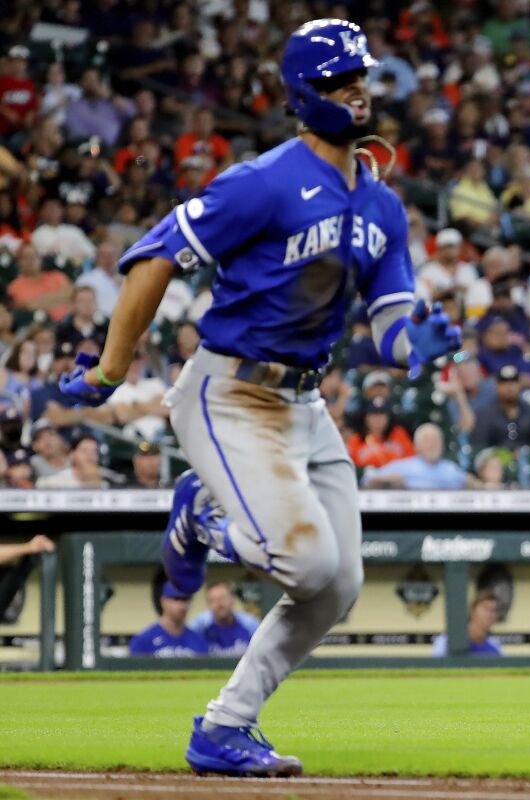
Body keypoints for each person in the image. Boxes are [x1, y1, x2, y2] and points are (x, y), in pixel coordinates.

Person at [56, 20, 462, 778]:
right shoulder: (263, 181)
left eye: (361, 77)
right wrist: (112, 371)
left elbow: (391, 324)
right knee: (308, 567)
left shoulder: (382, 207)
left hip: (306, 405)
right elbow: (151, 258)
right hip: (229, 392)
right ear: (305, 93)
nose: (359, 90)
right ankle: (201, 513)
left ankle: (225, 727)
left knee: (338, 585)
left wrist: (418, 348)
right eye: (342, 79)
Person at [469, 364, 530, 450]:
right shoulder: (485, 413)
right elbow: (479, 446)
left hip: (529, 460)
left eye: (513, 381)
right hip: (496, 459)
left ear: (519, 384)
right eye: (504, 382)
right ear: (497, 386)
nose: (509, 387)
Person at [128, 580, 209, 658]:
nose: (182, 605)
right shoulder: (144, 641)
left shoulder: (199, 641)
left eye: (185, 599)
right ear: (163, 601)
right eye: (176, 599)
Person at [188, 581, 260, 657]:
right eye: (214, 600)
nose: (220, 604)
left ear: (232, 599)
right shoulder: (199, 627)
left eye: (223, 598)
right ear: (209, 604)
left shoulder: (250, 624)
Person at [431, 591, 502, 656]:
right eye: (486, 609)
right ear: (473, 612)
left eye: (493, 610)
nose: (490, 614)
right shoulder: (446, 641)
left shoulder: (494, 645)